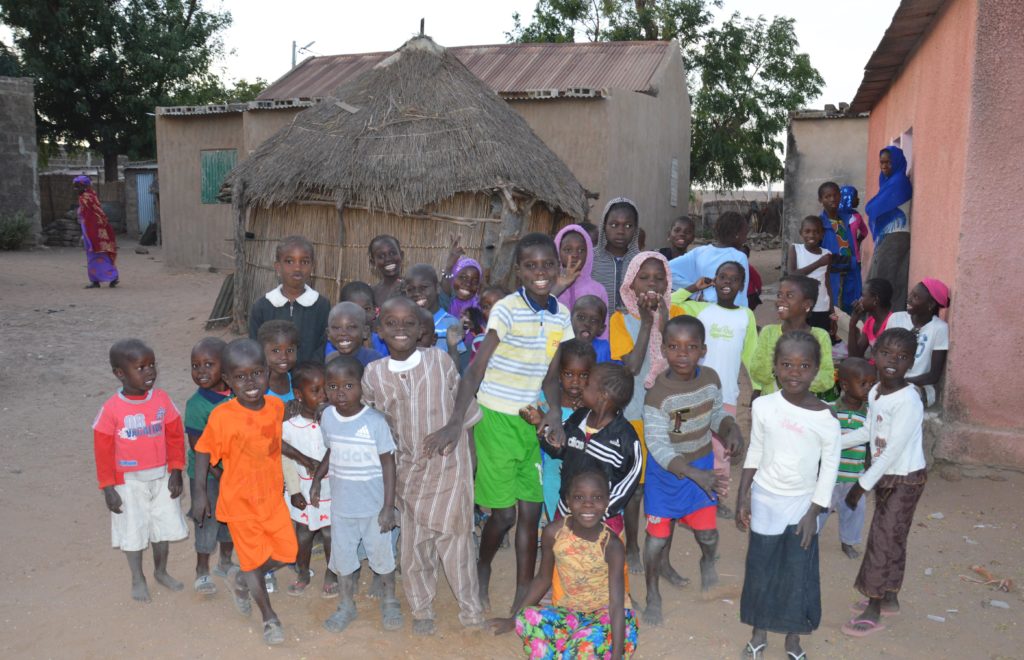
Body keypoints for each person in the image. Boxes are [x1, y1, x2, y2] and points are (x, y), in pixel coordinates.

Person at [424, 232, 571, 613]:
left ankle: (524, 590)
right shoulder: (506, 309)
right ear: (519, 271)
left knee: (531, 511)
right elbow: (476, 369)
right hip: (496, 418)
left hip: (531, 421)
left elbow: (552, 375)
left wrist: (553, 414)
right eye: (531, 266)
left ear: (557, 267)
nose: (541, 272)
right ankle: (483, 566)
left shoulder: (562, 314)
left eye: (547, 264)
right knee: (504, 515)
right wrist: (458, 421)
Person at [363, 296, 484, 634]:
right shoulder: (373, 375)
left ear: (420, 330)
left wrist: (470, 463)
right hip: (407, 473)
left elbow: (466, 415)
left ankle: (471, 611)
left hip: (450, 468)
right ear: (379, 330)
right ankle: (422, 609)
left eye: (408, 323)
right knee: (414, 548)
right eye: (391, 323)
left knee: (456, 541)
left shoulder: (440, 361)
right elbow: (372, 426)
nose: (400, 329)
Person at [736, 331, 841, 660]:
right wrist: (743, 496)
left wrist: (814, 512)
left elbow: (829, 470)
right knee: (760, 566)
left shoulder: (826, 418)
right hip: (765, 499)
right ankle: (758, 634)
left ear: (817, 370)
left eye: (804, 365)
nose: (794, 372)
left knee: (798, 571)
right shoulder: (764, 405)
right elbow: (756, 451)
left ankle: (793, 640)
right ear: (775, 368)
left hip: (802, 505)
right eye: (787, 364)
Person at [192, 339, 297, 645]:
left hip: (271, 497)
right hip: (240, 501)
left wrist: (304, 459)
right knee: (252, 560)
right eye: (240, 376)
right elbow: (203, 451)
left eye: (256, 374)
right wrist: (199, 492)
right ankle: (269, 618)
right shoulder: (223, 416)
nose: (250, 382)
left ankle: (241, 580)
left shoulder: (276, 406)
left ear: (267, 372)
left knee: (286, 552)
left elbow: (275, 445)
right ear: (227, 380)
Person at [642, 316, 743, 625]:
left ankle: (707, 565)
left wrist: (731, 428)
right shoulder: (657, 394)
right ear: (664, 350)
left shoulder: (710, 379)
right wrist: (693, 473)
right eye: (674, 347)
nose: (682, 354)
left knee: (709, 535)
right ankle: (652, 595)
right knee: (657, 539)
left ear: (703, 350)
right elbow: (658, 446)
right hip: (666, 473)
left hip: (700, 464)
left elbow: (715, 415)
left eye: (690, 347)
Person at [486, 471, 639, 660]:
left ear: (607, 501)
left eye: (597, 497)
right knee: (527, 618)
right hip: (571, 614)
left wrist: (617, 655)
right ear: (567, 500)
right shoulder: (554, 533)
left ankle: (595, 650)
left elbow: (616, 604)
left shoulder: (611, 545)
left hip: (607, 617)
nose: (588, 504)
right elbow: (543, 578)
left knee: (577, 650)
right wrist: (513, 620)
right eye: (579, 497)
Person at [840, 328, 927, 638]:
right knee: (893, 536)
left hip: (904, 478)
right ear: (874, 355)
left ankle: (873, 608)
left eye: (903, 357)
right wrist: (834, 443)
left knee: (883, 538)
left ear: (912, 362)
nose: (894, 361)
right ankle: (889, 595)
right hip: (887, 475)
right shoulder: (876, 391)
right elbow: (868, 431)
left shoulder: (908, 401)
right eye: (888, 353)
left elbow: (893, 450)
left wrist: (861, 485)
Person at [310, 355, 401, 633]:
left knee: (382, 558)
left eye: (348, 386)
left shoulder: (374, 422)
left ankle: (389, 601)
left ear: (361, 386)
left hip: (373, 507)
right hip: (342, 508)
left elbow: (389, 463)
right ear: (325, 389)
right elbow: (332, 450)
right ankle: (346, 605)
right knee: (343, 559)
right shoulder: (327, 417)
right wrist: (317, 478)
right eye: (333, 387)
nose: (341, 393)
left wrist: (388, 507)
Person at [93, 338, 188, 603]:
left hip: (162, 477)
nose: (150, 372)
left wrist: (176, 470)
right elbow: (102, 452)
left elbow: (175, 437)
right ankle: (137, 577)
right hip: (128, 483)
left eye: (152, 365)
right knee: (132, 531)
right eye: (141, 367)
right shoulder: (111, 409)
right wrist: (108, 488)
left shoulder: (162, 400)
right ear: (120, 374)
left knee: (163, 528)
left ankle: (161, 571)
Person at [609, 251, 684, 572]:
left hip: (671, 417)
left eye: (659, 278)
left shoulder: (678, 313)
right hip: (634, 415)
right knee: (636, 489)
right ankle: (633, 548)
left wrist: (663, 317)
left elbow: (681, 359)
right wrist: (646, 323)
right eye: (644, 277)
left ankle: (663, 556)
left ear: (668, 282)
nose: (652, 284)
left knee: (668, 486)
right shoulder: (619, 319)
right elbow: (631, 366)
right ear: (631, 283)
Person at [673, 261, 757, 518]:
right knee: (689, 447)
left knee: (722, 452)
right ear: (714, 281)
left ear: (742, 286)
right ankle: (686, 498)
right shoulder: (700, 309)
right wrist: (692, 286)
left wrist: (758, 388)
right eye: (722, 277)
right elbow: (670, 302)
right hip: (694, 393)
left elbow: (751, 355)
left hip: (726, 395)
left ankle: (716, 499)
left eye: (733, 279)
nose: (727, 283)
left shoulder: (746, 315)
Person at [529, 361, 642, 532]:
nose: (582, 385)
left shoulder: (625, 438)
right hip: (567, 510)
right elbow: (559, 446)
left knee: (599, 558)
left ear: (602, 395)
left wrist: (602, 512)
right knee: (563, 555)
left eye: (588, 383)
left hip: (603, 520)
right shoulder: (578, 418)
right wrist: (541, 426)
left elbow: (629, 481)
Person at [518, 339, 599, 523]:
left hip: (580, 468)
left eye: (583, 375)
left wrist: (585, 410)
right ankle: (555, 528)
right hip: (543, 464)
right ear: (557, 374)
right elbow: (525, 410)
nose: (575, 382)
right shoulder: (543, 401)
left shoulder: (594, 404)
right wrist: (538, 419)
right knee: (550, 475)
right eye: (568, 374)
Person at [279, 362, 336, 598]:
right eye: (316, 390)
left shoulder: (334, 420)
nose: (323, 395)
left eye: (326, 388)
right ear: (299, 395)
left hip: (332, 490)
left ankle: (332, 574)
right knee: (303, 534)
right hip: (302, 488)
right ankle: (302, 572)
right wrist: (293, 491)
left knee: (330, 533)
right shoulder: (289, 427)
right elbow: (286, 460)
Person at [184, 337, 235, 595]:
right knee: (206, 519)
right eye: (195, 366)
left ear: (225, 367)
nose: (201, 371)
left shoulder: (237, 395)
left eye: (208, 364)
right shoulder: (197, 405)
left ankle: (226, 562)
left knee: (230, 519)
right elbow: (198, 447)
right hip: (206, 476)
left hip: (233, 474)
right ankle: (202, 570)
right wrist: (220, 474)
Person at [817, 357, 876, 559]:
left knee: (855, 512)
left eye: (871, 384)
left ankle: (848, 542)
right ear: (844, 385)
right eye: (863, 384)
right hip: (830, 477)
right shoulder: (829, 410)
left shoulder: (869, 414)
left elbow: (870, 446)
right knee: (820, 510)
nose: (869, 388)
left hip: (854, 477)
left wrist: (868, 471)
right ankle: (810, 537)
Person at [248, 235, 329, 364]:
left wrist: (309, 373)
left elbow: (323, 346)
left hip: (309, 378)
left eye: (305, 262)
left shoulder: (322, 306)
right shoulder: (262, 307)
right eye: (289, 261)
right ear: (278, 267)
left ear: (313, 267)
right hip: (273, 378)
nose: (297, 268)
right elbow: (255, 347)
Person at [749, 276, 835, 397]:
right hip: (772, 407)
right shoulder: (768, 333)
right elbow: (757, 372)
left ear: (807, 304)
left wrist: (791, 376)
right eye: (779, 295)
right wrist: (778, 372)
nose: (780, 300)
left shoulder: (820, 336)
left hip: (804, 408)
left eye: (789, 296)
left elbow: (827, 379)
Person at [886, 279, 950, 406]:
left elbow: (934, 375)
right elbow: (884, 353)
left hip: (919, 386)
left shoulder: (939, 328)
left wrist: (901, 383)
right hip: (890, 380)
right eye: (911, 294)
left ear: (930, 305)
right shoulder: (896, 318)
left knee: (903, 400)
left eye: (916, 297)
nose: (909, 299)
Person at [865, 146, 913, 310]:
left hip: (896, 238)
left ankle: (884, 322)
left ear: (897, 162)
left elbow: (873, 208)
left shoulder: (899, 183)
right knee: (886, 281)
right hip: (889, 238)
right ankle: (880, 323)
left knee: (883, 283)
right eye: (882, 163)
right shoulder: (887, 183)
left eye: (889, 163)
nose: (885, 167)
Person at [669, 211, 750, 307]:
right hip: (725, 312)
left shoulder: (700, 251)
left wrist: (696, 291)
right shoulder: (739, 257)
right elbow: (740, 294)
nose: (745, 239)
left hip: (700, 309)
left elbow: (666, 270)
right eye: (745, 234)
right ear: (737, 235)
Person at [553, 224, 610, 337]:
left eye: (581, 250)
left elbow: (604, 332)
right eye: (568, 250)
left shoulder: (598, 290)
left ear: (588, 253)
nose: (574, 255)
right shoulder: (548, 286)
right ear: (557, 252)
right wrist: (557, 288)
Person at [406, 264, 466, 361]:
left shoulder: (451, 324)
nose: (416, 293)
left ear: (437, 288)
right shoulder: (405, 324)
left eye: (424, 287)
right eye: (410, 289)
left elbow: (458, 364)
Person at [818, 182, 862, 314]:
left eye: (836, 195)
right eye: (827, 196)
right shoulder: (819, 224)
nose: (832, 199)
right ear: (821, 200)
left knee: (850, 310)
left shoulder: (847, 219)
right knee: (832, 311)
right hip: (831, 275)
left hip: (850, 273)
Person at [592, 197, 642, 312]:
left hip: (631, 329)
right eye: (614, 225)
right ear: (604, 226)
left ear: (635, 229)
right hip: (597, 328)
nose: (621, 231)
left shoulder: (642, 262)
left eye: (628, 226)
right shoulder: (590, 259)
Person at [787, 216, 834, 334]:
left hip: (822, 307)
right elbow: (793, 274)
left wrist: (832, 311)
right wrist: (818, 263)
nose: (812, 235)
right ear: (801, 233)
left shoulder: (827, 254)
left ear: (822, 234)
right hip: (801, 307)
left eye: (816, 232)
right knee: (799, 341)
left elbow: (827, 283)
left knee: (819, 342)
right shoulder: (795, 249)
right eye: (807, 231)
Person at [74, 175, 119, 288]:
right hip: (97, 229)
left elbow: (90, 216)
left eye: (77, 186)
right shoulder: (92, 195)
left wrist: (88, 234)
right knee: (100, 253)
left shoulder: (85, 198)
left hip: (92, 229)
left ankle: (99, 280)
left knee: (94, 253)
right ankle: (109, 278)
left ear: (83, 186)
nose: (76, 189)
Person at [847, 278, 894, 359]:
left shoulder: (891, 323)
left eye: (863, 296)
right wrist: (852, 324)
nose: (860, 300)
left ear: (875, 299)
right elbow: (854, 356)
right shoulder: (870, 321)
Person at [339, 280, 388, 355]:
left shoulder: (384, 343)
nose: (361, 315)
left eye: (367, 309)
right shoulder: (336, 342)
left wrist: (368, 346)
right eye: (353, 309)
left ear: (375, 311)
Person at [439, 237, 483, 318]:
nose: (468, 284)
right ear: (453, 277)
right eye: (463, 277)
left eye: (474, 282)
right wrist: (449, 268)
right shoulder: (446, 303)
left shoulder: (480, 309)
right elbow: (445, 293)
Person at [257, 320, 298, 403]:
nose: (284, 357)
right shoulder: (257, 389)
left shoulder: (297, 381)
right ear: (262, 351)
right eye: (276, 350)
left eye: (290, 350)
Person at [571, 295, 612, 363]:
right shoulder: (561, 347)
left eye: (594, 320)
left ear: (601, 329)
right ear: (570, 321)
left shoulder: (605, 349)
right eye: (581, 317)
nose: (587, 324)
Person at [368, 234, 406, 303]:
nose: (388, 259)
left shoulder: (412, 288)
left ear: (401, 255)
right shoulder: (371, 293)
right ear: (373, 262)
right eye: (381, 256)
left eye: (392, 253)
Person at [839, 186, 869, 266]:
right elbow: (864, 232)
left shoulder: (835, 216)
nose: (858, 199)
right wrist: (857, 242)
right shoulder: (856, 216)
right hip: (847, 258)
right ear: (849, 198)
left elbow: (865, 232)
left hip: (845, 258)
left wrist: (858, 241)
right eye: (856, 197)